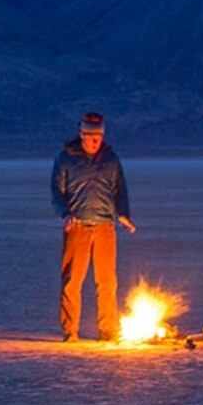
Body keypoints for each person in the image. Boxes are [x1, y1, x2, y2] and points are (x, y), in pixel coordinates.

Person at [50, 110, 135, 340]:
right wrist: (65, 214)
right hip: (77, 226)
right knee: (72, 282)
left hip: (105, 226)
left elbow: (120, 189)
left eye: (100, 137)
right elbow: (56, 192)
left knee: (107, 281)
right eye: (92, 137)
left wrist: (123, 214)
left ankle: (108, 331)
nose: (97, 142)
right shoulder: (66, 158)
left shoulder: (111, 159)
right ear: (82, 135)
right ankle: (70, 332)